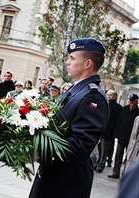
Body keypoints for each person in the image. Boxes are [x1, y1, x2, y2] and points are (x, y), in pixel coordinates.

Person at [29, 38, 109, 198]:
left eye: (72, 58)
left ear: (87, 64)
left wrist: (40, 151)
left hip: (66, 183)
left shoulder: (92, 96)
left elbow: (81, 144)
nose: (67, 62)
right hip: (55, 175)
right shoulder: (78, 89)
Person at [108, 93, 139, 179]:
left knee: (128, 158)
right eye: (130, 100)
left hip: (131, 138)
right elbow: (119, 121)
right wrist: (116, 133)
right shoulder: (125, 109)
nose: (131, 102)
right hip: (121, 136)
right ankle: (115, 172)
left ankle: (126, 174)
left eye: (133, 100)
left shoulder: (138, 112)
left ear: (136, 101)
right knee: (118, 156)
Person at [95, 90, 122, 172]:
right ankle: (97, 163)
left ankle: (101, 165)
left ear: (114, 96)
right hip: (100, 130)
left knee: (104, 151)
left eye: (111, 95)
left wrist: (111, 130)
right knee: (99, 149)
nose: (109, 96)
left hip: (108, 132)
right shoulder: (104, 104)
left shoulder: (118, 107)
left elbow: (117, 121)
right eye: (108, 95)